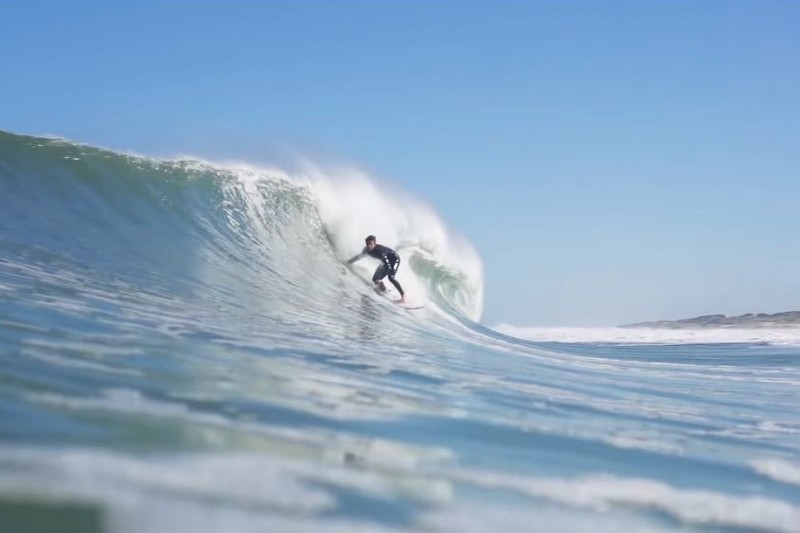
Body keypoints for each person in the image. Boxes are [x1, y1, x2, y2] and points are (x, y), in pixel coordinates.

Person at [347, 235, 405, 303]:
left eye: (371, 244)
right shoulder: (366, 250)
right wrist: (349, 262)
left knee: (391, 277)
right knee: (375, 279)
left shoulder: (380, 251)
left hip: (395, 259)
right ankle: (384, 290)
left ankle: (403, 296)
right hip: (385, 262)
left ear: (375, 243)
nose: (369, 246)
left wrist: (385, 272)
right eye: (367, 244)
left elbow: (388, 266)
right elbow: (359, 256)